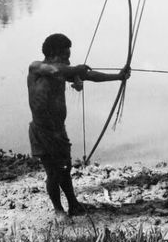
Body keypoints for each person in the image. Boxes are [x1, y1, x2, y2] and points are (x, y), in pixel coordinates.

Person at [27, 33, 130, 218]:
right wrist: (76, 69)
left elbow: (89, 75)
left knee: (65, 169)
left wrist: (119, 76)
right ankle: (59, 211)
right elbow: (56, 71)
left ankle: (73, 204)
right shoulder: (37, 67)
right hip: (42, 130)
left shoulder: (63, 71)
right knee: (53, 173)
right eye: (65, 55)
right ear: (52, 53)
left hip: (58, 131)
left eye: (69, 56)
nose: (68, 59)